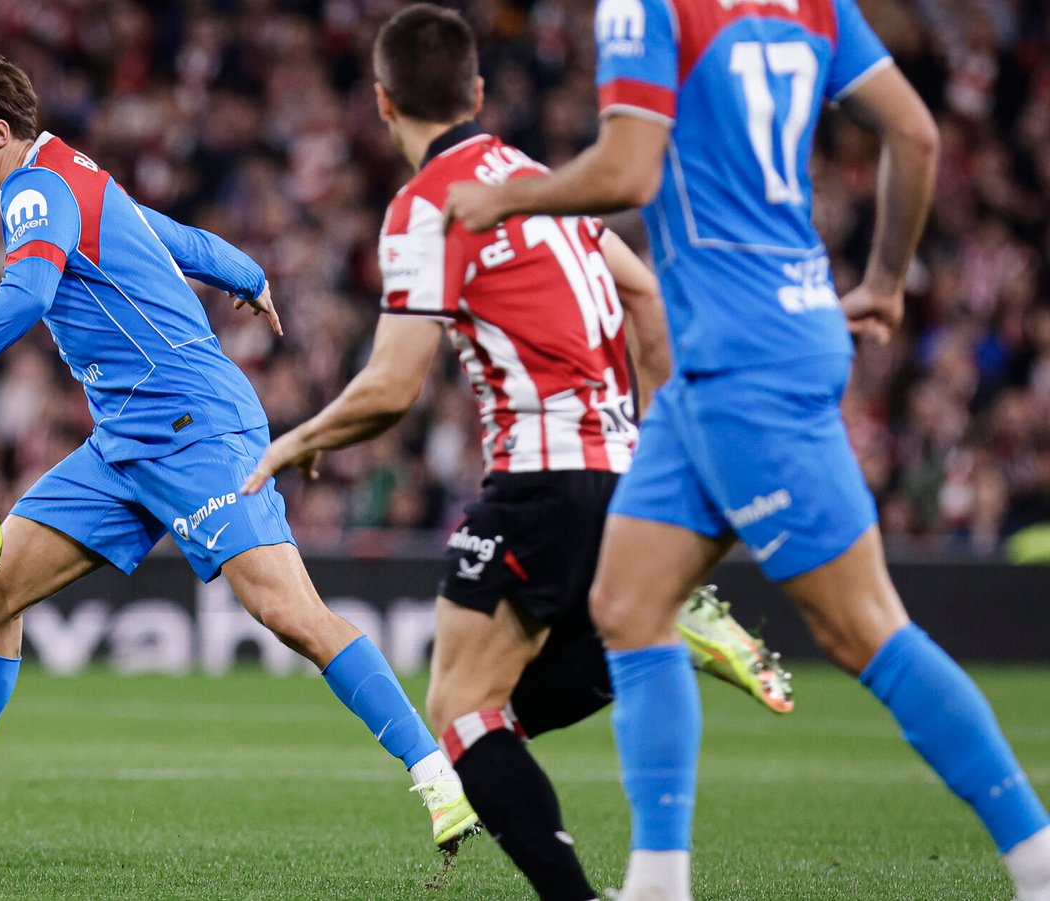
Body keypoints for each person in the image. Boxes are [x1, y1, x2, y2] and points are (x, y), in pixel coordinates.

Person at [441, 0, 1050, 898]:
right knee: (629, 603)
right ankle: (657, 885)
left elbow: (628, 166)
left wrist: (507, 195)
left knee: (862, 626)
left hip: (742, 360)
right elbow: (915, 134)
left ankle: (1037, 859)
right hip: (734, 354)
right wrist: (883, 280)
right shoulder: (812, 3)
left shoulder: (646, 7)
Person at [0, 46, 477, 859]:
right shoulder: (67, 171)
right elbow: (156, 231)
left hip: (197, 428)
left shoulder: (38, 188)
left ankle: (439, 775)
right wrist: (243, 268)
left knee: (289, 614)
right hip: (125, 442)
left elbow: (26, 294)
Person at [243, 7, 790, 899]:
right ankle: (660, 630)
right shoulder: (538, 179)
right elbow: (645, 292)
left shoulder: (428, 206)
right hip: (613, 472)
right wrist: (656, 445)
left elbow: (390, 387)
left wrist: (293, 441)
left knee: (458, 710)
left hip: (541, 479)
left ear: (381, 102)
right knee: (490, 712)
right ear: (479, 93)